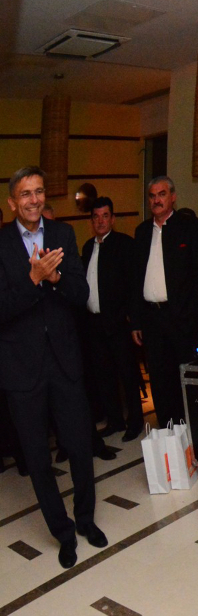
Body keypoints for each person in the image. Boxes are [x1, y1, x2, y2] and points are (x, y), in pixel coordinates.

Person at [0, 166, 107, 568]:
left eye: (39, 191)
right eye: (25, 194)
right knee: (37, 458)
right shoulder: (1, 244)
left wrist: (56, 276)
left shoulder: (63, 235)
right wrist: (33, 279)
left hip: (64, 361)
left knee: (80, 446)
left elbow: (80, 294)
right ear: (13, 202)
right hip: (21, 368)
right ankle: (62, 532)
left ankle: (86, 520)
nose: (34, 200)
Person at [131, 176, 198, 428]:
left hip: (182, 319)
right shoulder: (142, 232)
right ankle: (167, 432)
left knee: (184, 379)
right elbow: (136, 279)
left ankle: (192, 433)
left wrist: (195, 316)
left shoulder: (190, 227)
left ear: (173, 197)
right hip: (152, 319)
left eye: (162, 194)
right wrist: (136, 321)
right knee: (159, 381)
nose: (156, 200)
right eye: (152, 196)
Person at [81, 197, 145, 441]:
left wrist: (134, 322)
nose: (100, 221)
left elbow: (134, 286)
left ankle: (135, 422)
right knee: (103, 376)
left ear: (113, 219)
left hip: (119, 323)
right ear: (91, 221)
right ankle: (115, 420)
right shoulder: (87, 247)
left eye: (105, 216)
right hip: (94, 324)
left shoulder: (124, 245)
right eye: (96, 217)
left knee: (127, 375)